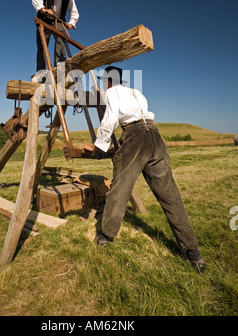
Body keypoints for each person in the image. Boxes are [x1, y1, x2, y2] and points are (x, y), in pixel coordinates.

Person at [83, 66, 206, 273]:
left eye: (104, 81)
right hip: (155, 136)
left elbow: (111, 119)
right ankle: (193, 252)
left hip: (135, 136)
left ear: (108, 81)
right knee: (170, 194)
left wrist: (98, 144)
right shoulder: (137, 93)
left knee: (120, 189)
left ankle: (105, 235)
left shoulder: (113, 92)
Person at [32, 0, 79, 73]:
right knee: (42, 46)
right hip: (44, 19)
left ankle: (59, 71)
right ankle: (41, 73)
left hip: (59, 21)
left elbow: (74, 12)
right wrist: (43, 9)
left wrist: (71, 23)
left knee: (61, 43)